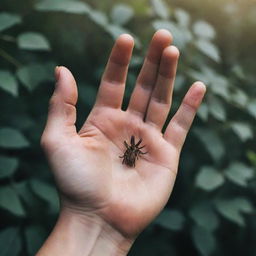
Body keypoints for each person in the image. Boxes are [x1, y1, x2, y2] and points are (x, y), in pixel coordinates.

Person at [37, 29, 206, 256]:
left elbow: (132, 153)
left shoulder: (131, 151)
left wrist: (84, 218)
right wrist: (86, 215)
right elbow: (133, 153)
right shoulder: (132, 152)